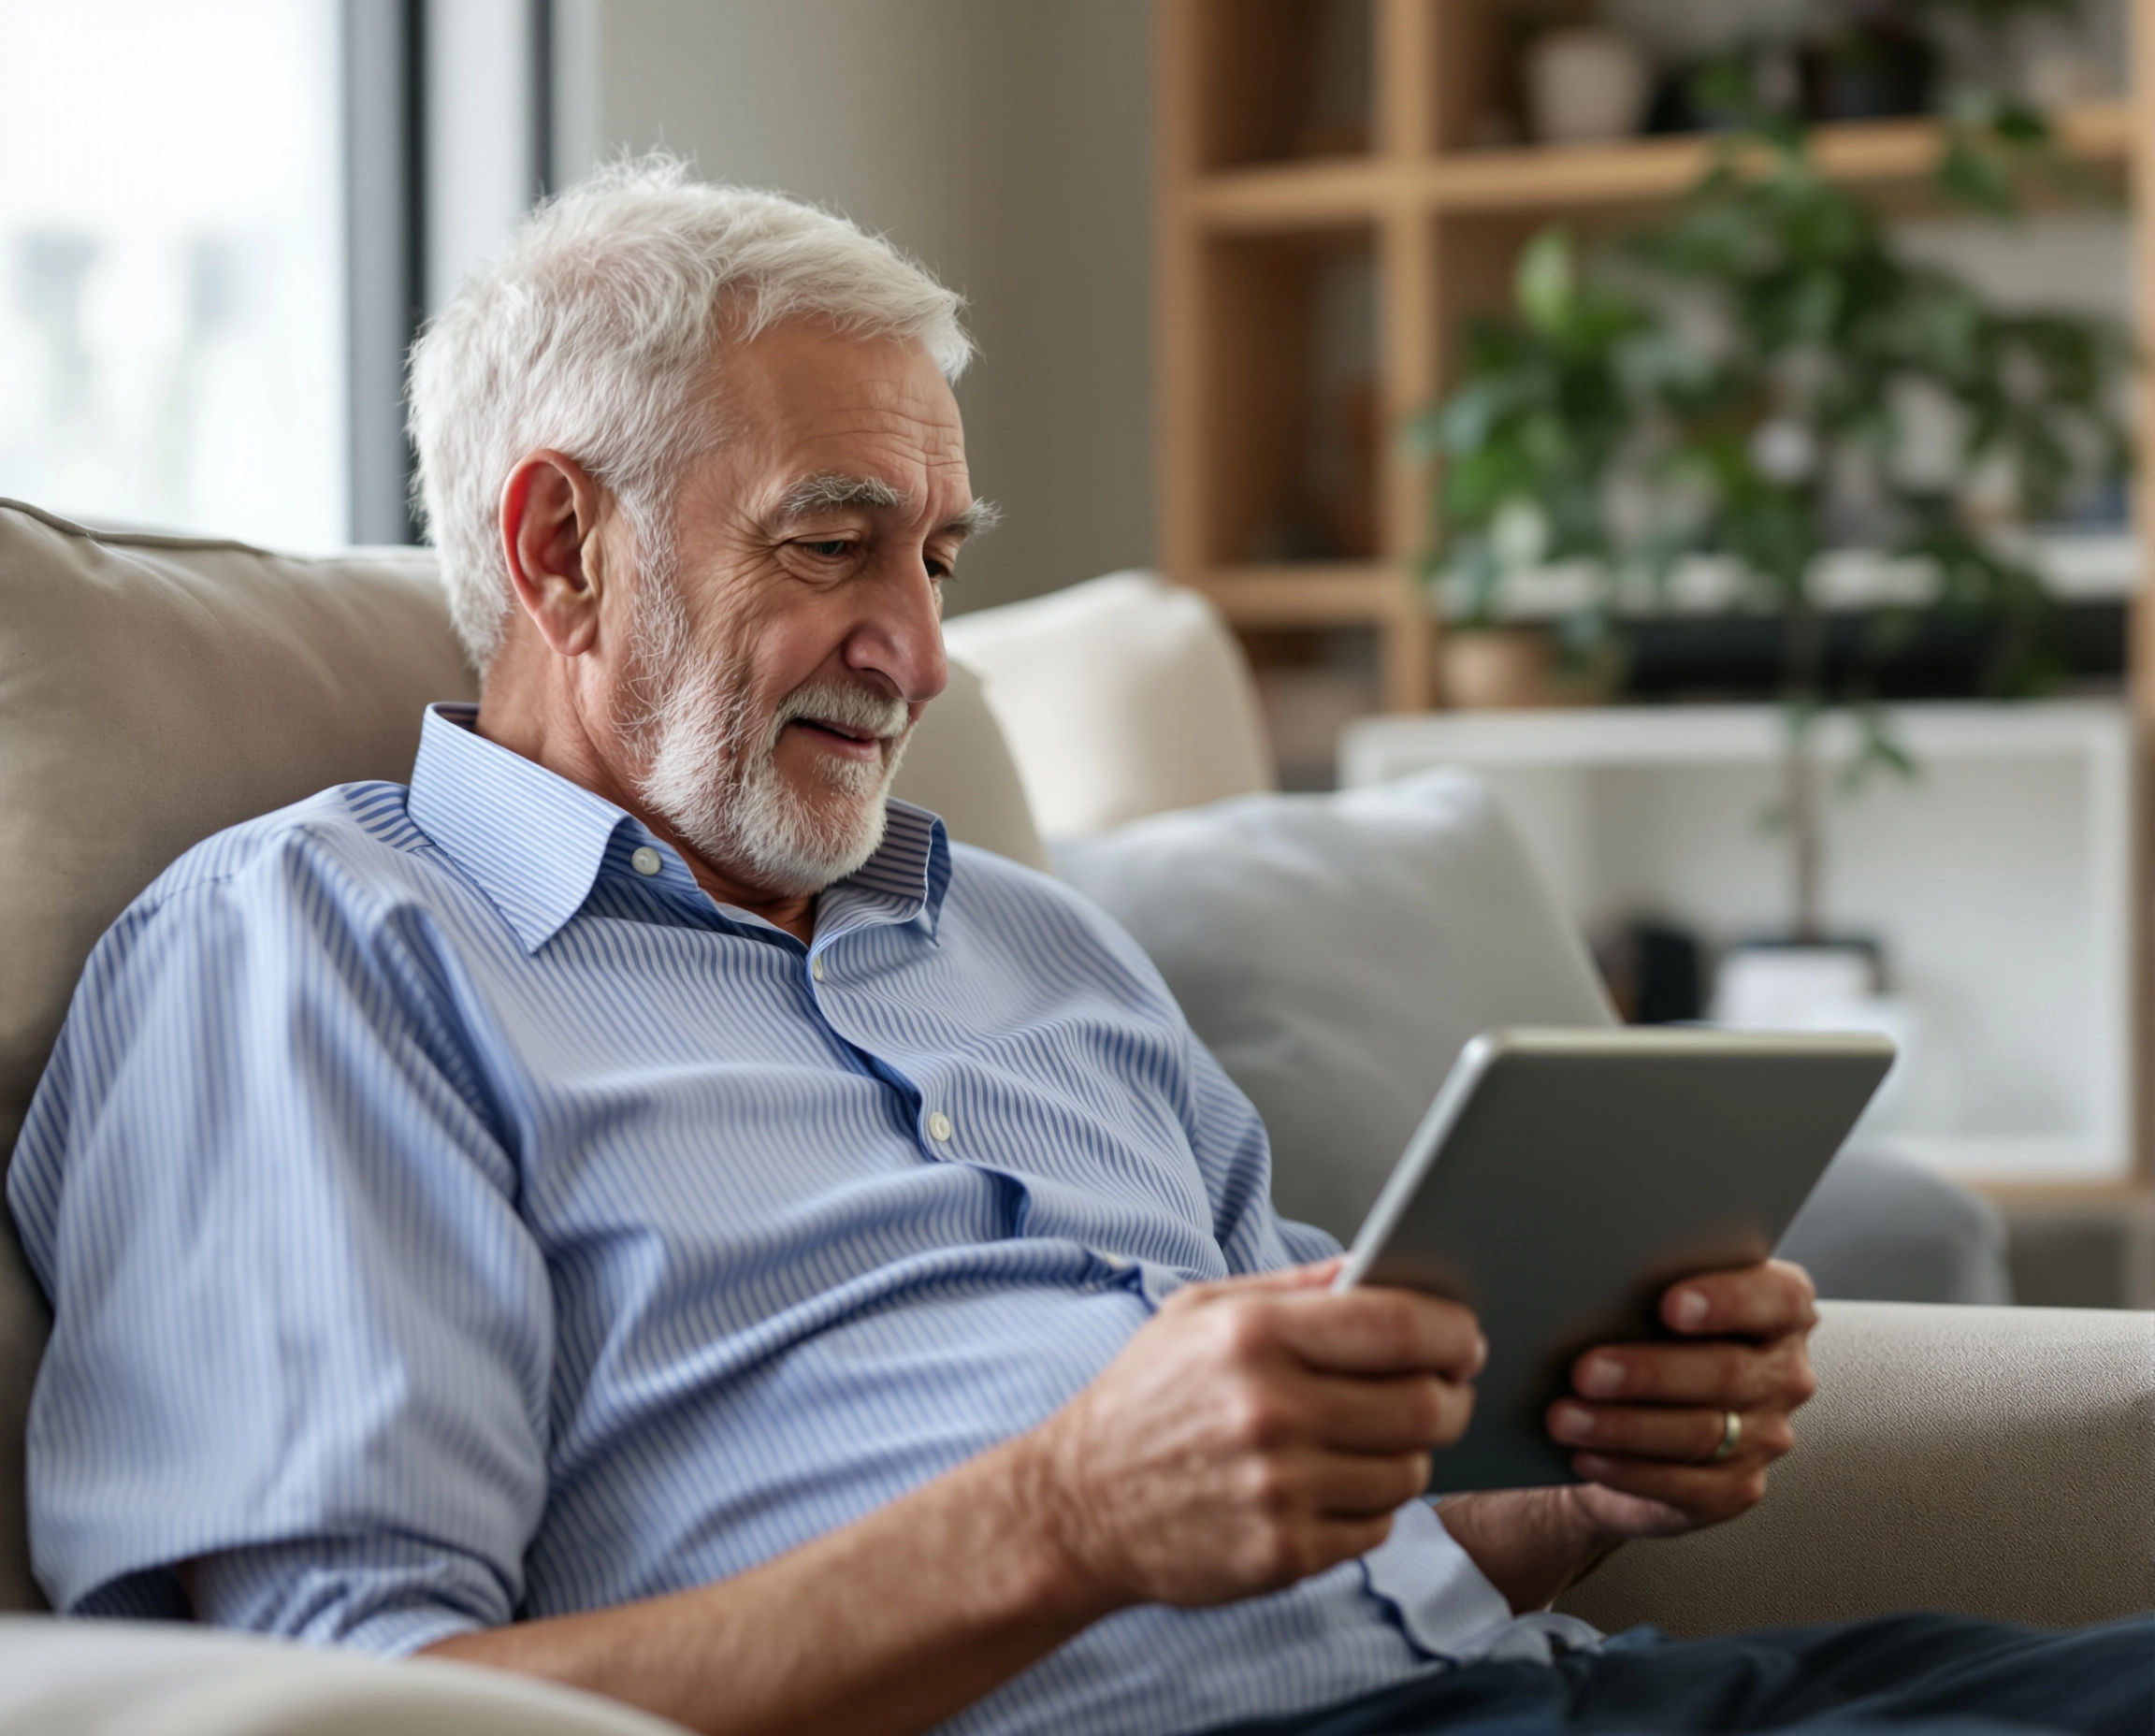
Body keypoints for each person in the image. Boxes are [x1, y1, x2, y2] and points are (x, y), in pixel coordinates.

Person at [8, 159, 2144, 1736]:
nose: (920, 648)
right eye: (833, 545)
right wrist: (1061, 1518)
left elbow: (1305, 1526)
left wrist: (1559, 1486)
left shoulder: (1031, 946)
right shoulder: (316, 946)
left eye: (938, 560)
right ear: (562, 548)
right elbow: (337, 1710)